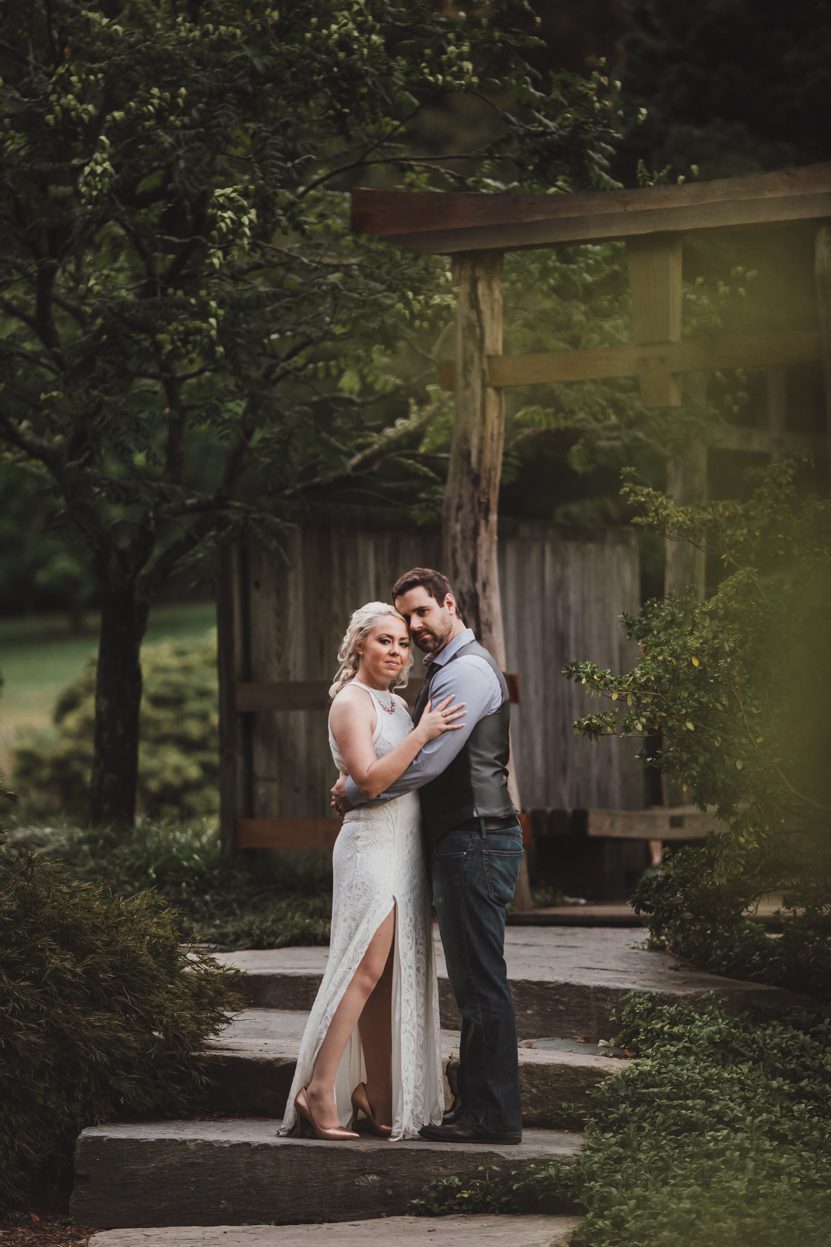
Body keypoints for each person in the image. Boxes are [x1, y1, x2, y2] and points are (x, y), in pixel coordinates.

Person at [332, 568, 524, 1146]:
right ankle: (482, 1110)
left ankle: (489, 1117)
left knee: (480, 982)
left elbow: (430, 763)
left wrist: (357, 790)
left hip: (477, 839)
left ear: (449, 604)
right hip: (464, 841)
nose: (413, 627)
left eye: (421, 613)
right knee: (473, 981)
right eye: (403, 618)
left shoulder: (465, 671)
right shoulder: (443, 671)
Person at [280, 601, 464, 1142]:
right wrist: (424, 732)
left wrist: (417, 728)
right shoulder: (351, 703)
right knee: (362, 972)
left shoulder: (398, 705)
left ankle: (376, 1097)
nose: (397, 652)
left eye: (404, 644)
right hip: (370, 850)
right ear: (359, 643)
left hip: (404, 848)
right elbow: (371, 779)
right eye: (385, 641)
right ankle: (317, 1089)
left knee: (384, 980)